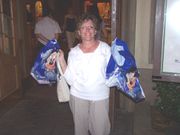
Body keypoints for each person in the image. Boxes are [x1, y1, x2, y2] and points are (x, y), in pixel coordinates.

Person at [58, 13, 111, 135]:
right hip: (78, 96)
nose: (87, 30)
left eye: (91, 27)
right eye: (83, 27)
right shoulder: (73, 52)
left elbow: (113, 74)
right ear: (78, 32)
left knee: (100, 131)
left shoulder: (105, 49)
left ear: (96, 31)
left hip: (99, 97)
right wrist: (61, 60)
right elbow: (71, 80)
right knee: (80, 131)